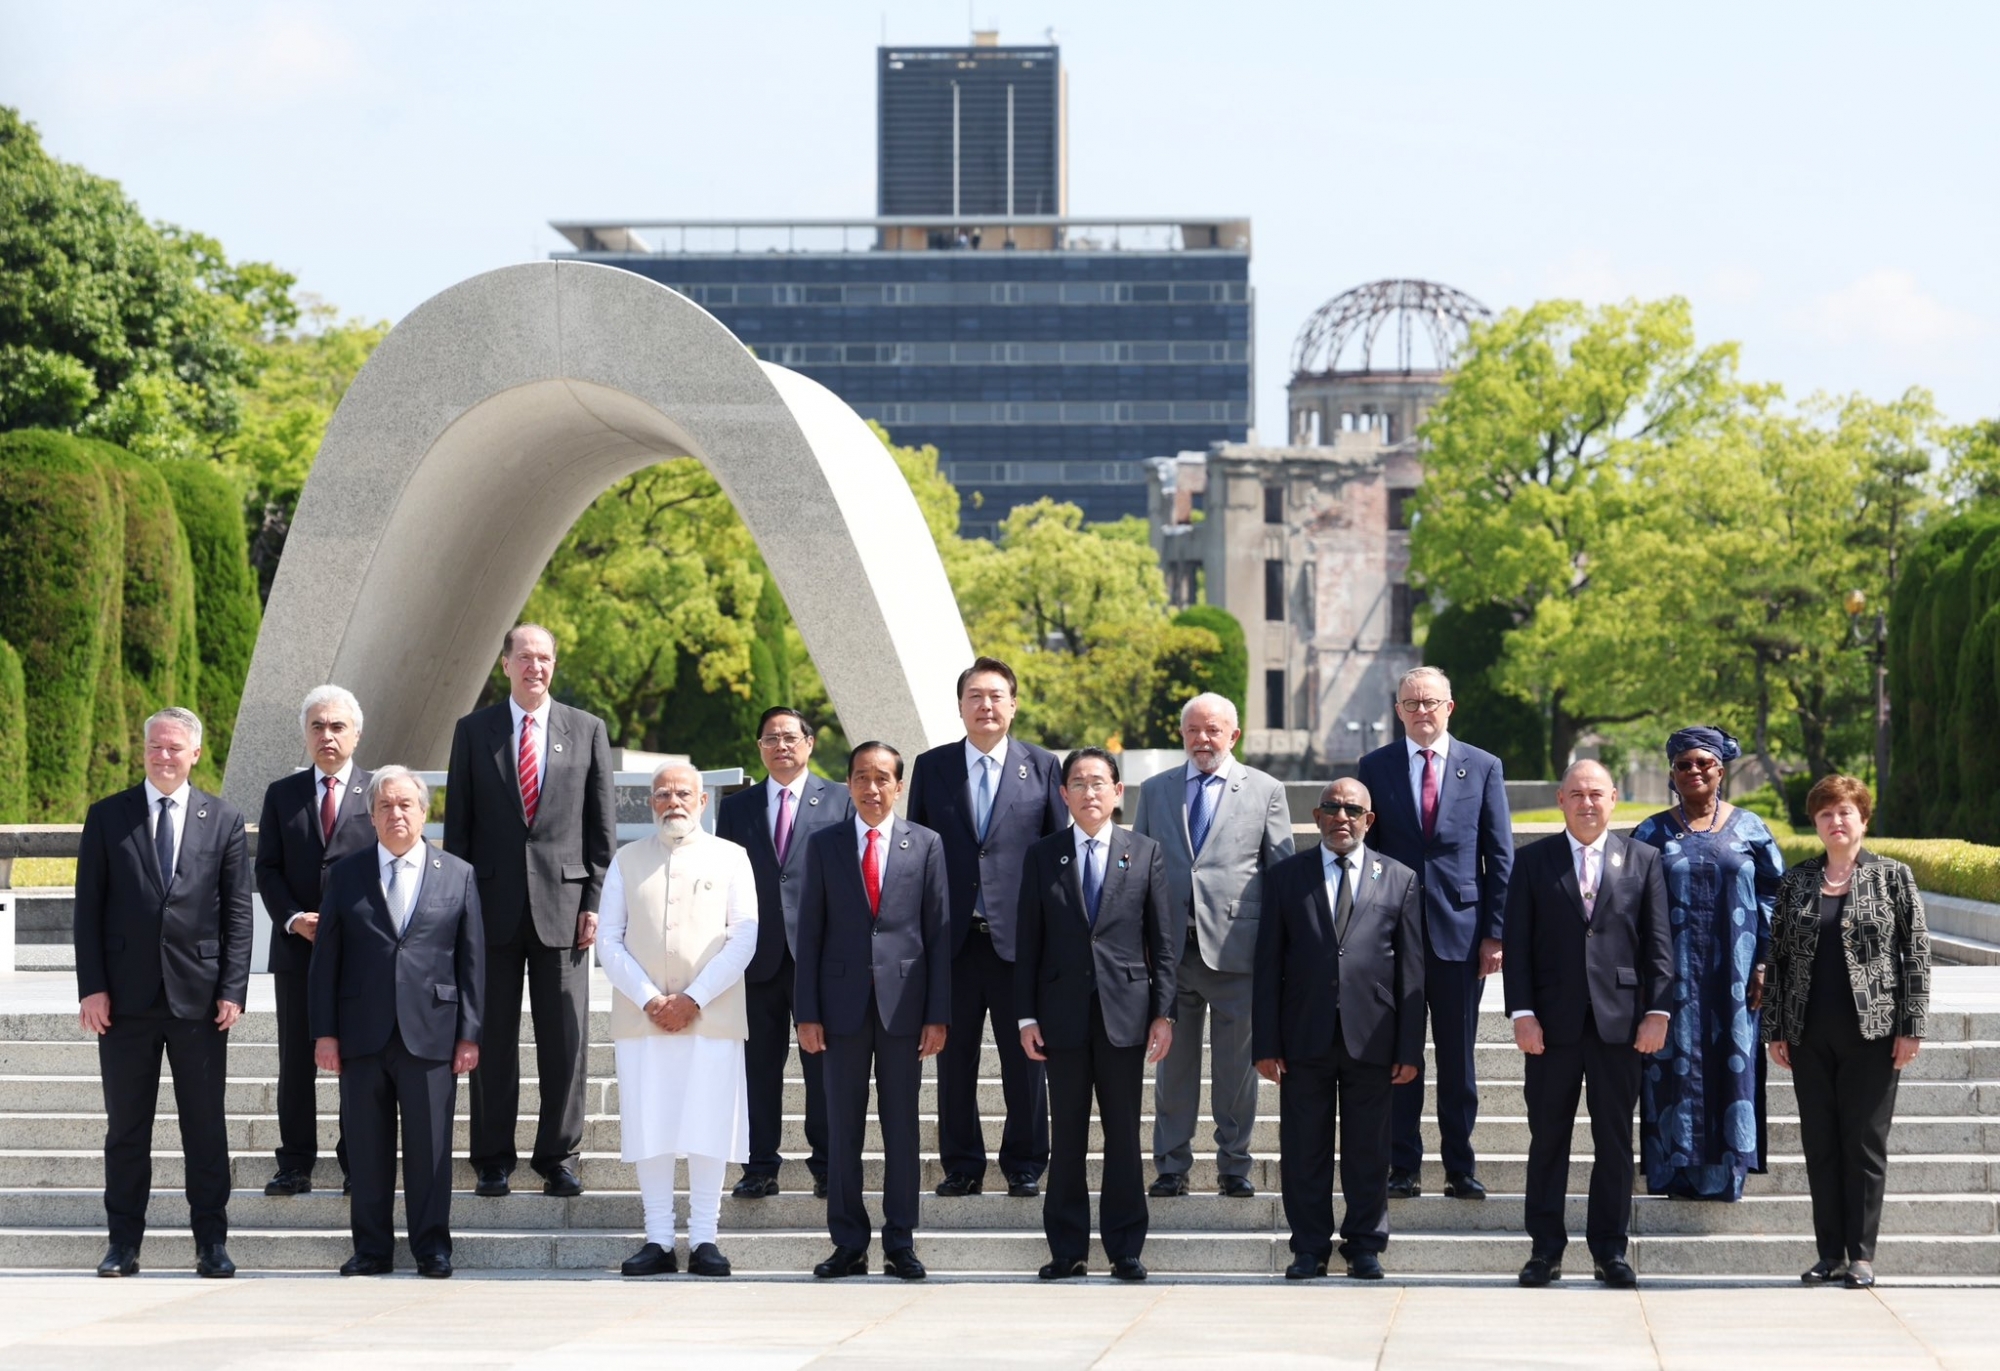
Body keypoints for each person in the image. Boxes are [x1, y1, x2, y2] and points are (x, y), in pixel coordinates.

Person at [73, 706, 252, 1279]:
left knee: (205, 1127)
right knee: (126, 1129)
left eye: (175, 748)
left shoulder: (222, 819)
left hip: (200, 1002)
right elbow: (88, 913)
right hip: (123, 1003)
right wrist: (93, 988)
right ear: (143, 750)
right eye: (155, 746)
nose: (164, 756)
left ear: (196, 753)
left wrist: (233, 988)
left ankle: (212, 1244)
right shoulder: (108, 817)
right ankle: (123, 1244)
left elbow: (239, 916)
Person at [444, 623, 617, 1199]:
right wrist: (456, 909)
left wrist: (595, 902)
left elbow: (601, 830)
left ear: (553, 665)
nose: (535, 667)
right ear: (506, 664)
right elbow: (459, 832)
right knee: (491, 1037)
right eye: (525, 657)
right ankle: (492, 1158)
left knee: (565, 1039)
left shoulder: (587, 729)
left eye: (544, 658)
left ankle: (558, 1156)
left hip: (565, 909)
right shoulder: (474, 731)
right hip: (489, 909)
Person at [1504, 760, 1672, 1288]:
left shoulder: (1643, 860)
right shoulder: (1532, 862)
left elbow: (1659, 946)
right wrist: (1522, 1012)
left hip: (1621, 1026)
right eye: (1576, 793)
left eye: (1596, 793)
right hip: (1551, 1027)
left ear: (1614, 798)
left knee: (1615, 1142)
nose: (1587, 802)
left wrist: (1658, 1011)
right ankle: (1544, 1251)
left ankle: (1609, 1251)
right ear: (1561, 800)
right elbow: (1518, 946)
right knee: (1548, 1139)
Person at [311, 767, 484, 1278]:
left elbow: (471, 962)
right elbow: (326, 961)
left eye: (406, 804)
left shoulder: (458, 873)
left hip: (432, 1032)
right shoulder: (345, 874)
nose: (396, 813)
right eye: (385, 806)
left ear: (424, 811)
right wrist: (325, 1032)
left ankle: (432, 1247)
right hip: (362, 1033)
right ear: (371, 816)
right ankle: (371, 1249)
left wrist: (470, 1033)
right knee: (366, 1149)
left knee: (431, 1150)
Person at [1016, 748, 1176, 1282]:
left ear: (1117, 793)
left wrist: (1164, 1014)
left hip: (1125, 1016)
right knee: (1068, 1137)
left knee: (1124, 1135)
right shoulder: (1044, 854)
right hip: (1059, 1017)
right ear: (1063, 794)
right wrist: (1024, 1017)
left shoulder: (1145, 852)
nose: (1089, 792)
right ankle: (1067, 1250)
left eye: (1099, 783)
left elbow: (1163, 941)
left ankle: (1126, 1248)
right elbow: (1028, 942)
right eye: (1078, 783)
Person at [906, 657, 1065, 1198]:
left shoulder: (1043, 767)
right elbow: (916, 858)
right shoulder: (932, 768)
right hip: (952, 940)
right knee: (954, 1061)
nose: (986, 706)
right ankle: (962, 1165)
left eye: (996, 696)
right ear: (960, 706)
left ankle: (1025, 1163)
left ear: (1014, 705)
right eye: (975, 696)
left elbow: (1056, 858)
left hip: (1018, 942)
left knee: (1027, 1057)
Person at [1254, 778, 1423, 1280]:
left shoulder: (1400, 878)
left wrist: (1410, 1047)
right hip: (1303, 1035)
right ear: (1316, 815)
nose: (1342, 816)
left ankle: (1365, 1245)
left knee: (1369, 1150)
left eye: (1353, 809)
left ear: (1369, 820)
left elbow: (1412, 972)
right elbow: (1268, 966)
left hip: (1373, 1036)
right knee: (1303, 1148)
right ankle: (1308, 1248)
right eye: (1331, 808)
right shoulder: (1287, 877)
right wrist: (1266, 1042)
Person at [1765, 775, 1929, 1289]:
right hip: (1809, 1032)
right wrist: (1775, 1028)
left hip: (1874, 1032)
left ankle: (1861, 1255)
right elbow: (1779, 958)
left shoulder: (1893, 878)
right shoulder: (1796, 881)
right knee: (1821, 1143)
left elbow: (1917, 955)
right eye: (1825, 814)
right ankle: (1828, 1253)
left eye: (1845, 812)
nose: (1836, 822)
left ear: (1863, 819)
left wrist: (1912, 1026)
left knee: (1863, 1143)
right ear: (1815, 824)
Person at [1357, 665, 1513, 1201]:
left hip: (1461, 935)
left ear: (1450, 707)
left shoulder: (1483, 766)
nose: (1421, 711)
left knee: (1457, 1060)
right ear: (1397, 710)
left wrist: (1494, 934)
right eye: (1411, 703)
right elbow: (1365, 855)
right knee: (1400, 1058)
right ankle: (1403, 1166)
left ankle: (1460, 1166)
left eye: (1431, 702)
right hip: (1391, 936)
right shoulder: (1373, 767)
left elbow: (1500, 856)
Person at [797, 743, 950, 1280]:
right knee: (842, 1129)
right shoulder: (825, 844)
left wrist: (938, 1014)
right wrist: (806, 1012)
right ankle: (848, 1243)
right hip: (838, 1009)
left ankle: (901, 1242)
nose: (872, 788)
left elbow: (937, 933)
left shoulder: (926, 845)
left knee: (902, 1128)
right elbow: (809, 931)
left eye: (883, 778)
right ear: (848, 783)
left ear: (899, 786)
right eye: (861, 777)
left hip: (904, 1008)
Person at [598, 763, 758, 1278]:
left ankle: (706, 1238)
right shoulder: (626, 860)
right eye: (663, 794)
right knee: (653, 1125)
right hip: (643, 1019)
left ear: (703, 800)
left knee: (709, 1123)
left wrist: (693, 998)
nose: (674, 802)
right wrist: (650, 999)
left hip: (711, 1015)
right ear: (650, 803)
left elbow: (744, 937)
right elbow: (608, 940)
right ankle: (659, 1239)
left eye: (683, 793)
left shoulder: (732, 858)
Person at [1131, 692, 1293, 1199]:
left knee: (1236, 1073)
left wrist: (1280, 958)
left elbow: (1281, 873)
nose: (1203, 740)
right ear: (1182, 735)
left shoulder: (1266, 789)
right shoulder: (1156, 791)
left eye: (1213, 730)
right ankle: (1171, 1166)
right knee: (1172, 1070)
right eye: (1193, 731)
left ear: (1234, 736)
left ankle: (1234, 1166)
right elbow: (1138, 868)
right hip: (1171, 954)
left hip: (1236, 954)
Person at [1630, 726, 1785, 1201]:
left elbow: (1774, 899)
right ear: (1672, 775)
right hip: (1669, 980)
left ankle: (1726, 1175)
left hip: (1735, 980)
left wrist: (1765, 964)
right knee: (1669, 1070)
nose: (1693, 771)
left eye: (1703, 763)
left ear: (1721, 769)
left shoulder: (1751, 828)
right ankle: (1672, 1174)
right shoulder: (1651, 832)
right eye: (1683, 765)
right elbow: (1631, 907)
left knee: (1731, 1068)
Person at [716, 707, 851, 1200]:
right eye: (771, 738)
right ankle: (759, 1166)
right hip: (757, 960)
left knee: (824, 1068)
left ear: (810, 743)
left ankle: (829, 1165)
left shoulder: (839, 799)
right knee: (758, 1069)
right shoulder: (737, 808)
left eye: (790, 737)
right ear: (759, 748)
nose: (782, 746)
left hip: (821, 960)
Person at [253, 684, 374, 1198]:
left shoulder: (380, 790)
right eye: (318, 726)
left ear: (356, 734)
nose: (327, 735)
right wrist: (292, 918)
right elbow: (268, 868)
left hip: (362, 954)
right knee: (296, 1061)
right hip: (298, 950)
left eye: (337, 726)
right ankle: (295, 1162)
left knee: (357, 1058)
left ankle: (358, 1162)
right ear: (305, 734)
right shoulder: (283, 794)